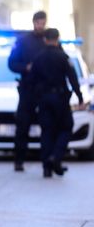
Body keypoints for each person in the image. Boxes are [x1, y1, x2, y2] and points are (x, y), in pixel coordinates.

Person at [30, 28, 84, 178]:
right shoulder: (63, 57)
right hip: (59, 99)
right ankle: (56, 157)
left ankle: (47, 167)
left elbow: (31, 81)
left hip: (44, 100)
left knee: (47, 131)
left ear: (45, 39)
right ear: (57, 39)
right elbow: (72, 79)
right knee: (66, 128)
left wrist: (35, 99)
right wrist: (79, 97)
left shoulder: (38, 58)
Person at [8, 11, 47, 171]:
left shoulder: (49, 40)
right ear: (33, 23)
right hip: (28, 89)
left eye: (42, 22)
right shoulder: (23, 41)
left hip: (45, 90)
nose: (40, 25)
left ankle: (47, 161)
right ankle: (19, 160)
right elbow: (12, 63)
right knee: (22, 126)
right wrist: (26, 67)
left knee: (48, 126)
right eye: (38, 22)